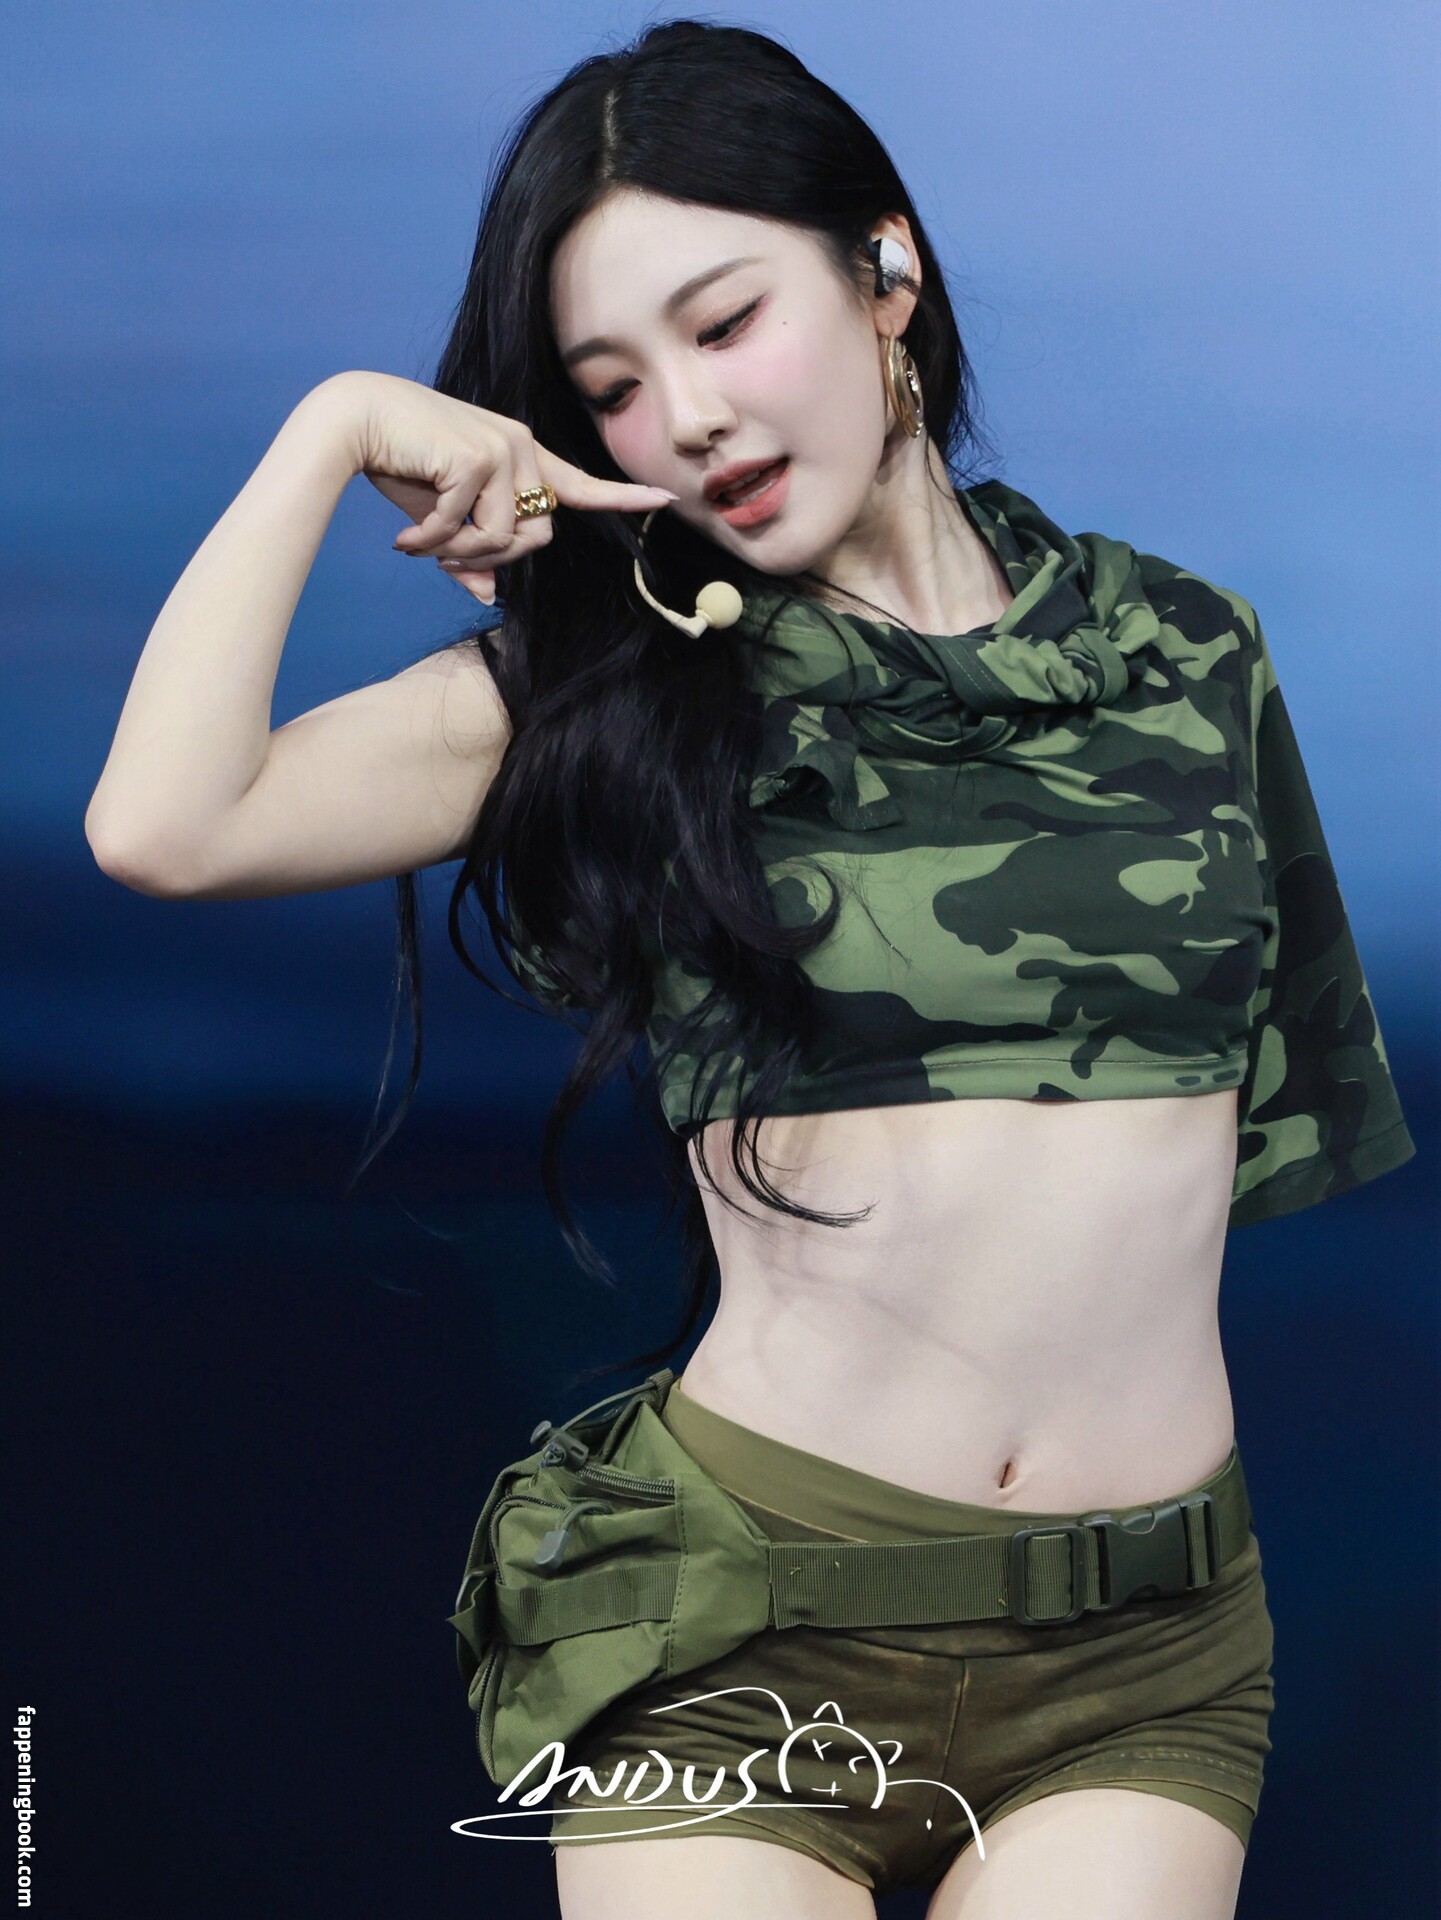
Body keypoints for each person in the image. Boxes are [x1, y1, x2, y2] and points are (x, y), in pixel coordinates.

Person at [85, 20, 1415, 1920]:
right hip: (738, 1623)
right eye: (613, 387)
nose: (689, 416)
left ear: (884, 273)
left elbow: (1213, 1159)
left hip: (1142, 1652)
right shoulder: (618, 692)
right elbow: (166, 824)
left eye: (724, 324)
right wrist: (330, 430)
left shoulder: (1188, 654)